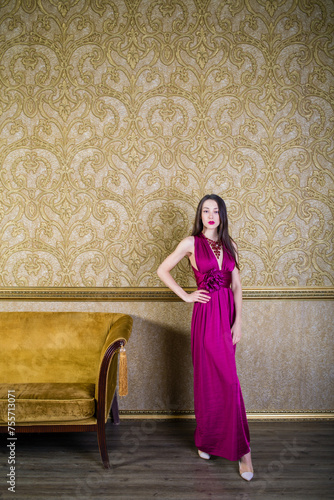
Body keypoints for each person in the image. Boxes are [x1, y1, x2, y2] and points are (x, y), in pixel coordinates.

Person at [157, 194, 254, 481]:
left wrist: (238, 322)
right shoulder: (190, 243)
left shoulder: (230, 245)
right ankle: (208, 441)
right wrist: (186, 296)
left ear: (222, 215)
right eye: (205, 211)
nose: (210, 215)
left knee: (229, 380)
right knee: (208, 378)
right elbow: (162, 270)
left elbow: (237, 285)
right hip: (205, 315)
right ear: (200, 215)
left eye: (215, 211)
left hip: (227, 317)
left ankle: (244, 452)